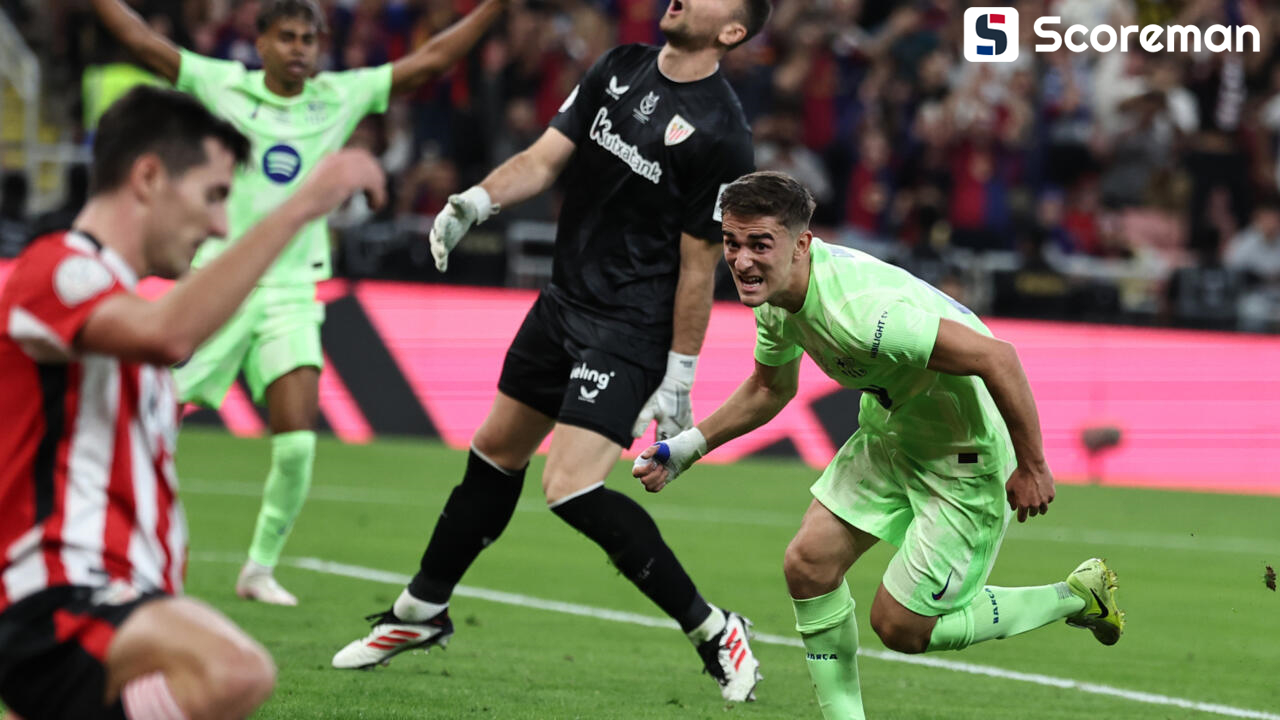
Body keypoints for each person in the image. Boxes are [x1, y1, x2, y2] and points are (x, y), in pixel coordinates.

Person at [331, 0, 771, 702]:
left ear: (732, 31)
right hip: (562, 304)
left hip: (628, 328)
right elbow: (544, 158)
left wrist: (679, 374)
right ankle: (420, 612)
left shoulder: (723, 133)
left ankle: (716, 629)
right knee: (494, 452)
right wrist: (476, 201)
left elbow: (698, 266)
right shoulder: (619, 66)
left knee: (568, 487)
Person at [633, 171, 1126, 719]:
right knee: (808, 566)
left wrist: (1032, 465)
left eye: (759, 244)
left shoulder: (861, 314)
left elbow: (998, 357)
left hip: (962, 452)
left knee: (900, 627)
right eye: (732, 242)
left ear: (801, 245)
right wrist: (685, 449)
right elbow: (770, 388)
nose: (741, 260)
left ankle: (1076, 596)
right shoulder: (776, 299)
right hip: (892, 432)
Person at [90, 0, 508, 606]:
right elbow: (141, 42)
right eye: (286, 37)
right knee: (151, 420)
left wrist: (494, 8)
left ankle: (258, 570)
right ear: (260, 42)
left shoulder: (338, 96)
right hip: (218, 285)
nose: (299, 50)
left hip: (291, 291)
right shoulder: (221, 84)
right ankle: (111, 547)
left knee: (297, 442)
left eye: (308, 39)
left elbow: (431, 61)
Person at [0, 86, 383, 720]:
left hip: (120, 597)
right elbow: (168, 334)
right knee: (234, 670)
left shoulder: (118, 306)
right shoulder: (58, 268)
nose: (221, 224)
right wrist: (301, 207)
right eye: (213, 196)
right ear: (148, 177)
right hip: (58, 595)